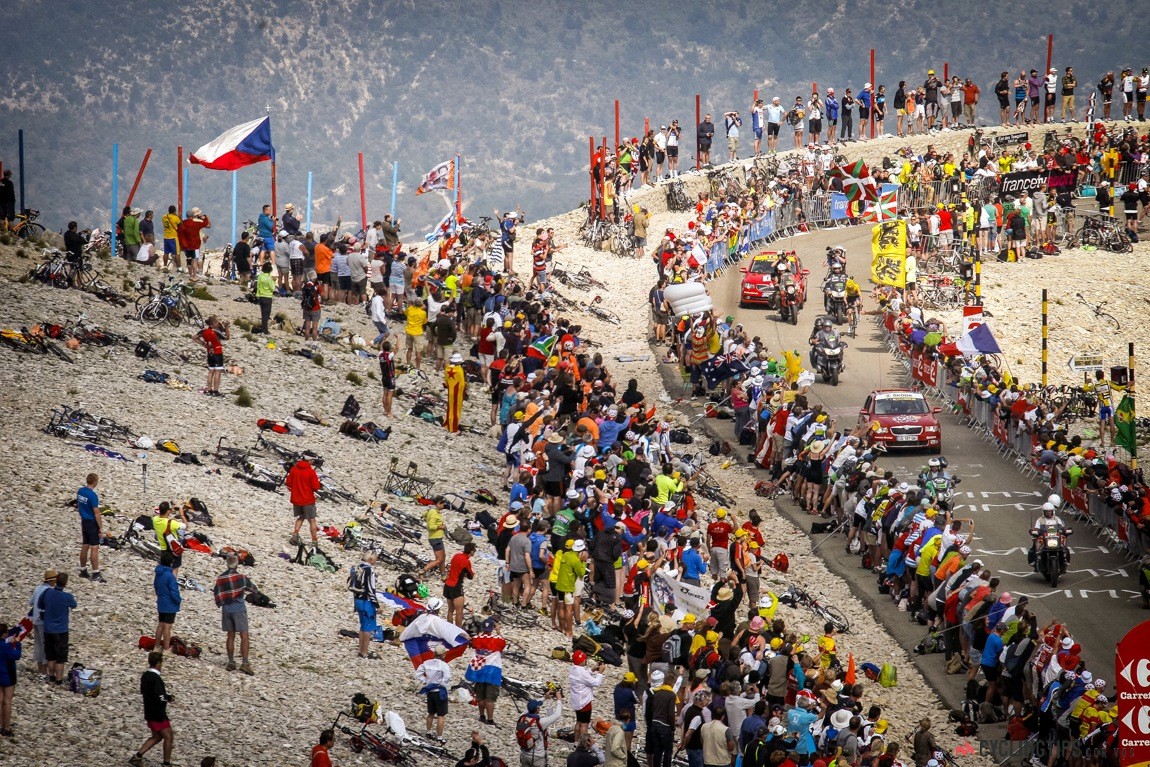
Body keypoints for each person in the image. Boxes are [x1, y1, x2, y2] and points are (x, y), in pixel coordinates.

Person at [129, 651, 175, 767]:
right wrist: (168, 698)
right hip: (157, 713)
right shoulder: (155, 678)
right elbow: (160, 696)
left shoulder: (145, 675)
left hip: (149, 711)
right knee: (168, 737)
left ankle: (137, 757)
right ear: (159, 663)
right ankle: (166, 763)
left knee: (157, 736)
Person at [212, 554, 254, 675]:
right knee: (244, 636)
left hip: (226, 609)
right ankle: (245, 663)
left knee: (230, 636)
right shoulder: (241, 577)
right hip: (239, 608)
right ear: (237, 564)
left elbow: (217, 593)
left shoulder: (220, 578)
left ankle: (231, 662)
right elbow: (253, 588)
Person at [464, 617, 506, 726]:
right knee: (490, 698)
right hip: (492, 670)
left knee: (480, 696)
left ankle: (482, 715)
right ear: (492, 628)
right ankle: (490, 719)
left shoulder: (476, 638)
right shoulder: (497, 639)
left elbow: (472, 644)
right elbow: (502, 645)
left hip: (479, 669)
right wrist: (498, 631)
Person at [38, 572, 76, 685]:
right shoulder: (67, 597)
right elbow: (74, 605)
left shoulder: (47, 593)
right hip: (61, 630)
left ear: (55, 581)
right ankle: (59, 680)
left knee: (50, 655)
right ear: (65, 583)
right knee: (61, 657)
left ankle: (51, 677)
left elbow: (40, 605)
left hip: (48, 629)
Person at [517, 693, 563, 767]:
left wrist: (544, 698)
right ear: (537, 709)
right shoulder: (540, 722)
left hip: (524, 754)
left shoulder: (522, 717)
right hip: (537, 756)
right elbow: (556, 715)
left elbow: (530, 707)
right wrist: (559, 700)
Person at [75, 472, 105, 582]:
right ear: (95, 482)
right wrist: (100, 527)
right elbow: (96, 512)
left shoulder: (80, 491)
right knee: (94, 547)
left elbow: (78, 505)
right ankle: (96, 573)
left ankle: (83, 569)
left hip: (84, 521)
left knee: (85, 545)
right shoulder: (92, 495)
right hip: (92, 522)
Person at [286, 456, 322, 548]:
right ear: (309, 460)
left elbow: (288, 483)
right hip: (307, 499)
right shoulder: (311, 472)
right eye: (312, 460)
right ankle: (314, 541)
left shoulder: (294, 469)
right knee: (312, 520)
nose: (313, 462)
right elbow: (315, 487)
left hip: (296, 499)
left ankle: (295, 534)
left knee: (301, 516)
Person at [349, 553, 379, 660]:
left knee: (362, 625)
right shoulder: (370, 570)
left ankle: (360, 650)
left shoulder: (357, 567)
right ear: (371, 559)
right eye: (375, 558)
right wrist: (377, 605)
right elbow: (371, 589)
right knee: (368, 627)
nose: (376, 560)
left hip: (357, 600)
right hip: (367, 601)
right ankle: (364, 652)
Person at [417, 647, 452, 740]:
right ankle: (439, 736)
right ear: (443, 654)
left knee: (431, 713)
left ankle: (428, 732)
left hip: (430, 690)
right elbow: (447, 677)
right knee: (441, 715)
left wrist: (426, 681)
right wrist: (443, 684)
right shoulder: (444, 665)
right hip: (439, 691)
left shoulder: (427, 663)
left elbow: (418, 673)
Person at [29, 570, 57, 677]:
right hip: (43, 621)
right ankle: (44, 671)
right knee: (45, 645)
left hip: (35, 621)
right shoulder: (49, 591)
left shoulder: (37, 588)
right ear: (52, 581)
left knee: (37, 645)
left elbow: (30, 602)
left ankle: (39, 669)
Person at [153, 551, 181, 653]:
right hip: (170, 603)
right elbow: (174, 591)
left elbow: (156, 586)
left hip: (161, 601)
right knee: (167, 626)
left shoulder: (158, 574)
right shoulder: (170, 576)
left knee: (160, 624)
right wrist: (178, 600)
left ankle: (156, 646)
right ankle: (166, 648)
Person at [196, 315, 229, 397]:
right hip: (217, 353)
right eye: (216, 322)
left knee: (211, 372)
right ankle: (215, 391)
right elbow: (227, 337)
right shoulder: (216, 331)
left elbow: (194, 337)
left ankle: (209, 389)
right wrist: (227, 327)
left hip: (210, 353)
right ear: (212, 324)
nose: (218, 323)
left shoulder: (204, 331)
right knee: (218, 372)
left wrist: (203, 344)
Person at [444, 541, 476, 627]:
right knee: (459, 612)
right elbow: (470, 575)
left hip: (447, 584)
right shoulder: (466, 561)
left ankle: (448, 629)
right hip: (456, 586)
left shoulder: (456, 555)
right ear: (471, 551)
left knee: (450, 610)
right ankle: (458, 631)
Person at [0, 621, 23, 737]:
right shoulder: (6, 646)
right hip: (8, 675)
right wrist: (17, 644)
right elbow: (16, 656)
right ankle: (6, 727)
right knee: (7, 702)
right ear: (4, 634)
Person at [177, 208, 210, 282]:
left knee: (188, 260)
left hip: (186, 245)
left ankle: (190, 275)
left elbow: (179, 234)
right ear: (192, 216)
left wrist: (181, 245)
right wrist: (205, 217)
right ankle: (195, 276)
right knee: (195, 260)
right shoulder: (195, 224)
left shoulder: (183, 224)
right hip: (195, 245)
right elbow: (205, 224)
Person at [421, 498, 448, 578]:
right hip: (435, 538)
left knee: (443, 556)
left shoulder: (432, 511)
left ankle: (443, 574)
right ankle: (422, 571)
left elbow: (423, 515)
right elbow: (431, 527)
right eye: (443, 504)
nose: (443, 506)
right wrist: (441, 526)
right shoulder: (433, 512)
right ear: (439, 503)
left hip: (437, 538)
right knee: (439, 559)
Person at [445, 352, 467, 433]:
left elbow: (446, 382)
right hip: (458, 392)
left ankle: (448, 424)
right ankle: (453, 427)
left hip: (450, 390)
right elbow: (462, 383)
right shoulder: (459, 370)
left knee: (450, 408)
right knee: (456, 410)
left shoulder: (447, 369)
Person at [378, 339, 396, 417]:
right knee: (390, 395)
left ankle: (385, 410)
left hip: (384, 376)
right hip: (390, 377)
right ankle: (389, 412)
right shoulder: (390, 355)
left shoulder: (380, 354)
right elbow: (397, 348)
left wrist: (384, 340)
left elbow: (380, 348)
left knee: (385, 394)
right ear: (389, 348)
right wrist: (398, 338)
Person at [255, 262, 274, 334]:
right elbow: (272, 288)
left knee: (263, 313)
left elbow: (258, 286)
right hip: (268, 297)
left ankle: (263, 328)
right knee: (267, 314)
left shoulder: (260, 277)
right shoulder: (269, 278)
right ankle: (264, 329)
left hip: (260, 296)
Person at [0, 169, 15, 233]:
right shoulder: (9, 183)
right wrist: (13, 201)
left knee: (1, 218)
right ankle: (11, 233)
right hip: (9, 203)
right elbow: (11, 193)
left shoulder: (0, 182)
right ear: (9, 175)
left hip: (0, 203)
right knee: (10, 219)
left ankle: (2, 232)